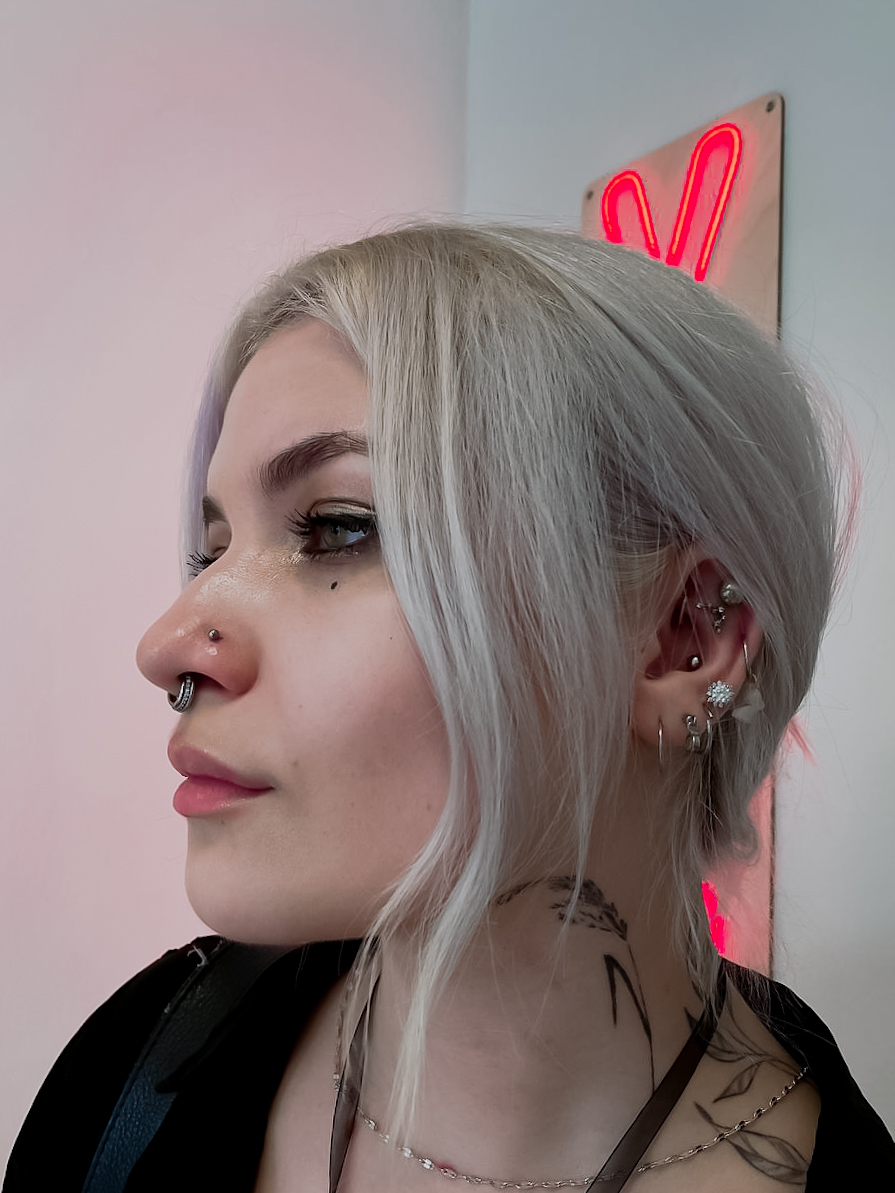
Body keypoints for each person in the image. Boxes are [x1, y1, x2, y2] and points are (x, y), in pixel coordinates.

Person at [5, 224, 894, 1192]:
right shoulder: (131, 1078)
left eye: (337, 527)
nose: (167, 645)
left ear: (687, 639)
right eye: (210, 550)